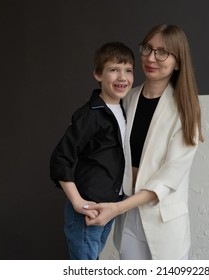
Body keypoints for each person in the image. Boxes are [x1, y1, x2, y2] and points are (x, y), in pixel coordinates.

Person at [84, 24, 204, 260]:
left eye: (162, 52)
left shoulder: (186, 109)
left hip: (164, 223)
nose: (151, 58)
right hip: (128, 217)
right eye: (147, 48)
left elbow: (168, 178)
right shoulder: (126, 98)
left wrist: (116, 209)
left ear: (178, 62)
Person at [49, 42, 135, 260]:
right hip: (90, 206)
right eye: (114, 70)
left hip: (111, 204)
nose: (122, 77)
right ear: (98, 74)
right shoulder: (89, 115)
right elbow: (60, 159)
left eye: (128, 71)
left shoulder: (126, 110)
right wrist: (79, 202)